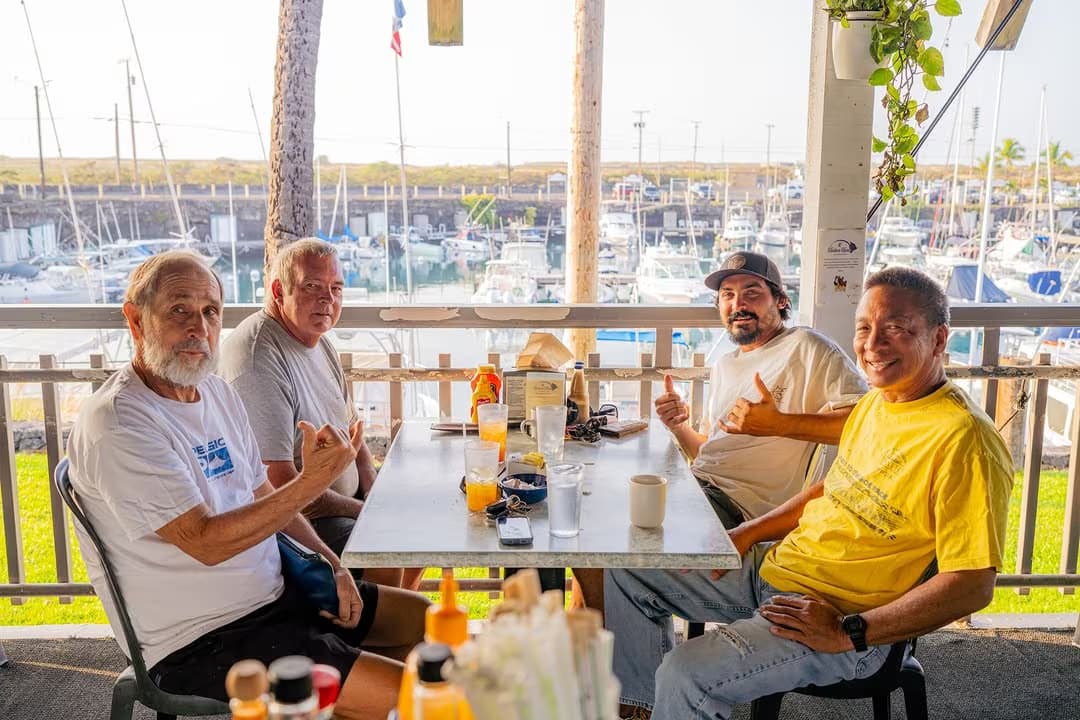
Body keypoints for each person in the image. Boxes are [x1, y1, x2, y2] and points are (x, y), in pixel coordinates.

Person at [605, 266, 1014, 720]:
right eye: (864, 327)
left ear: (939, 340)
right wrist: (746, 533)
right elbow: (831, 489)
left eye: (896, 328)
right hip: (778, 571)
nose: (873, 345)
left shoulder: (965, 440)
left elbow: (972, 586)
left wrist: (850, 632)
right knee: (625, 568)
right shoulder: (880, 402)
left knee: (686, 673)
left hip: (841, 618)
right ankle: (641, 710)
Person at [67, 252, 427, 718]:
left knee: (423, 620)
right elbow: (206, 543)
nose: (199, 327)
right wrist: (310, 482)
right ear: (135, 320)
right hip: (205, 636)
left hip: (278, 593)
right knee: (420, 697)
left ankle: (354, 702)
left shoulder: (215, 392)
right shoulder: (119, 421)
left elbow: (261, 494)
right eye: (179, 310)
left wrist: (330, 562)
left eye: (210, 311)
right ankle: (367, 699)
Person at [572, 251, 866, 610]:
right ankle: (587, 643)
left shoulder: (807, 347)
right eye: (727, 295)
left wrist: (781, 424)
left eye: (752, 292)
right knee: (589, 518)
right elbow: (709, 451)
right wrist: (679, 426)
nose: (738, 304)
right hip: (695, 489)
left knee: (602, 542)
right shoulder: (726, 365)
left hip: (736, 511)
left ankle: (587, 649)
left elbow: (867, 427)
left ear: (781, 300)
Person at [219, 239, 422, 591]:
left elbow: (350, 433)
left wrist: (371, 484)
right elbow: (277, 484)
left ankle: (396, 623)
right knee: (392, 539)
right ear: (280, 290)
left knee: (421, 522)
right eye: (312, 286)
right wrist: (363, 512)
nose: (327, 298)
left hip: (338, 502)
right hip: (299, 521)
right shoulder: (258, 358)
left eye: (336, 288)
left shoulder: (317, 338)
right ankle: (379, 630)